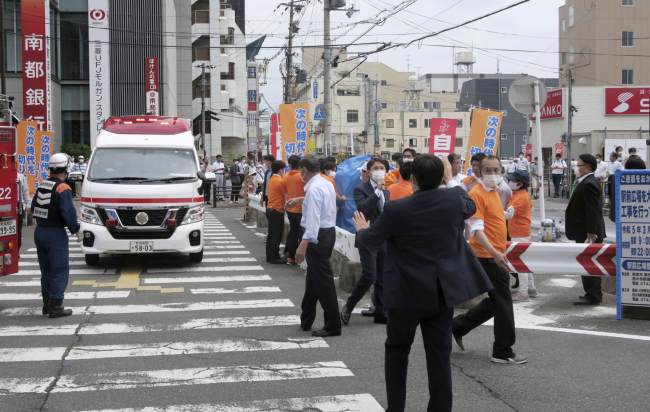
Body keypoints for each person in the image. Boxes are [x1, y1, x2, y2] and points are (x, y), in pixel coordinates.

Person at [352, 154, 492, 412]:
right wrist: (450, 181)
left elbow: (369, 240)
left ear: (412, 178)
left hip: (403, 292)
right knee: (439, 357)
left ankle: (396, 408)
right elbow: (469, 204)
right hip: (440, 292)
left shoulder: (396, 208)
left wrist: (361, 230)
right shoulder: (454, 200)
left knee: (397, 352)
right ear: (441, 177)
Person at [452, 154, 527, 365]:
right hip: (487, 256)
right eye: (488, 170)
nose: (493, 174)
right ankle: (502, 351)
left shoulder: (493, 191)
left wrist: (505, 215)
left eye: (496, 170)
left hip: (494, 254)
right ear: (479, 171)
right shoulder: (477, 194)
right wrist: (495, 253)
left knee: (497, 302)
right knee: (503, 302)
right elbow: (476, 230)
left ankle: (457, 326)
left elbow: (492, 219)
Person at [285, 155, 340, 337]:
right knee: (313, 278)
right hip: (327, 233)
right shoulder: (325, 183)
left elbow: (313, 219)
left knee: (323, 282)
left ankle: (333, 325)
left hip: (316, 236)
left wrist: (303, 243)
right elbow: (319, 204)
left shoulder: (315, 188)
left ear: (304, 169)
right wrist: (300, 200)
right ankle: (306, 319)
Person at [31, 153, 83, 318]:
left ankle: (47, 305)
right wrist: (76, 229)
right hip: (55, 233)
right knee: (59, 270)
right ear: (66, 168)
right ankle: (56, 307)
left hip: (40, 231)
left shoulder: (42, 185)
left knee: (46, 271)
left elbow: (33, 208)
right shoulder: (63, 188)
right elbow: (68, 212)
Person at [340, 157, 390, 326]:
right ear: (368, 172)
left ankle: (380, 311)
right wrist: (377, 192)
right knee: (370, 275)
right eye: (376, 168)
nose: (379, 170)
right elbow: (362, 207)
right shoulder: (360, 189)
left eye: (382, 167)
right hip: (367, 237)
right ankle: (349, 306)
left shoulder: (387, 191)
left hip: (383, 238)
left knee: (382, 277)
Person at [566, 154, 607, 306]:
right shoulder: (586, 181)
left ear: (587, 167)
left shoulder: (589, 183)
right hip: (585, 231)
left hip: (588, 233)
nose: (576, 168)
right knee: (589, 261)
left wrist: (591, 231)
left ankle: (593, 295)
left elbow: (592, 210)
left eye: (579, 165)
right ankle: (592, 293)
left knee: (588, 262)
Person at [505, 170, 537, 302]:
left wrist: (492, 212)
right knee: (524, 261)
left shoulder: (519, 197)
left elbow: (509, 214)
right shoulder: (523, 194)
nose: (510, 182)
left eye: (513, 180)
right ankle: (530, 288)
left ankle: (523, 293)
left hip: (519, 232)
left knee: (519, 264)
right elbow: (531, 208)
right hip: (523, 231)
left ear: (520, 183)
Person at [284, 155, 306, 265]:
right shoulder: (303, 177)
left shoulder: (285, 176)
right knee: (302, 234)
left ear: (290, 164)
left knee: (293, 232)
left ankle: (291, 257)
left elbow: (285, 193)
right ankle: (300, 259)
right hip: (301, 209)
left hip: (290, 208)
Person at [266, 160, 288, 264]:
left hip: (269, 208)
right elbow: (287, 196)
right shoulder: (280, 181)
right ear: (280, 170)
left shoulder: (271, 180)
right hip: (277, 210)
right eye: (284, 169)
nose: (284, 171)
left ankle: (269, 256)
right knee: (277, 235)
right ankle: (274, 258)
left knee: (271, 234)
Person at [606, 152, 623, 222]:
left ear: (615, 157)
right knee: (609, 190)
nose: (610, 157)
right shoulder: (609, 163)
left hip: (615, 177)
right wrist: (607, 173)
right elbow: (607, 171)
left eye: (611, 156)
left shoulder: (618, 163)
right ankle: (610, 201)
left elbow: (620, 171)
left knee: (614, 191)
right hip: (610, 177)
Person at [17, 172, 31, 253]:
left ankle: (16, 251)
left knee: (18, 230)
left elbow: (25, 191)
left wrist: (27, 205)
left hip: (18, 205)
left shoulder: (20, 176)